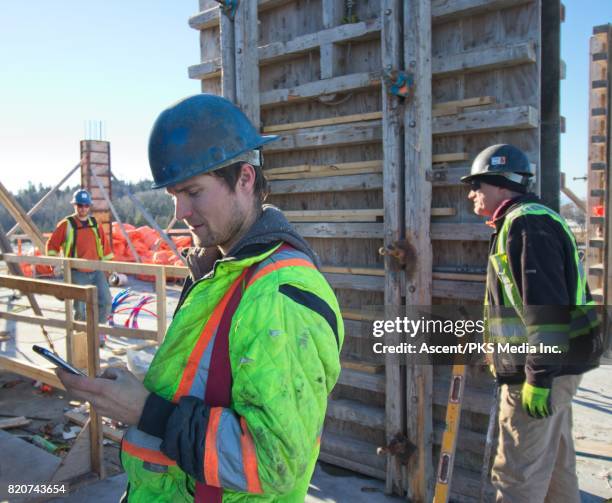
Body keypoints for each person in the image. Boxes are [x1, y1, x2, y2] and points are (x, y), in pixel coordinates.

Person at [56, 94, 344, 502]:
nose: (179, 212)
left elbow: (273, 461)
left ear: (245, 179)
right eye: (174, 194)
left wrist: (145, 411)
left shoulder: (278, 296)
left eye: (193, 192)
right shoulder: (224, 271)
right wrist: (135, 396)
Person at [462, 144, 602, 502]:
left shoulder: (526, 224)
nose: (472, 194)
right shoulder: (528, 221)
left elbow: (546, 307)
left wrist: (537, 378)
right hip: (557, 368)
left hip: (542, 373)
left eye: (478, 186)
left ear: (501, 185)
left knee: (516, 476)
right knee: (556, 468)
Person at [46, 188, 113, 345]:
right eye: (79, 205)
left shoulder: (94, 223)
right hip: (76, 272)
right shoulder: (66, 224)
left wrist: (109, 267)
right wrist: (54, 263)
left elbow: (104, 246)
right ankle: (82, 339)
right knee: (80, 309)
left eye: (85, 205)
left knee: (106, 300)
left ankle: (99, 333)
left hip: (96, 271)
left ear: (89, 207)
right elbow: (52, 245)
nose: (82, 209)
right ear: (74, 206)